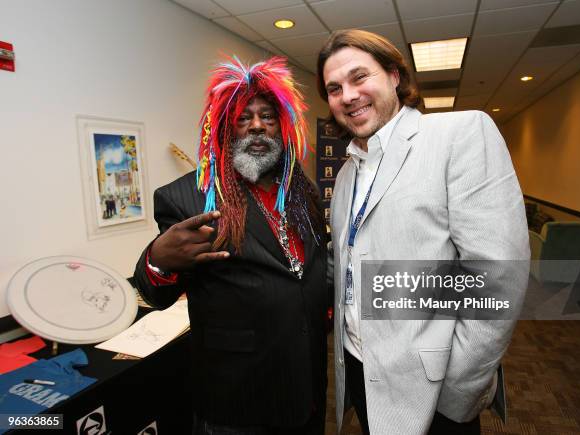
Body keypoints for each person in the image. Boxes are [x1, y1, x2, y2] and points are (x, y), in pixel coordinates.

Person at [317, 30, 529, 435]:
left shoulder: (458, 135)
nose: (348, 95)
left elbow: (497, 278)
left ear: (394, 76)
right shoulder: (346, 174)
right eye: (334, 88)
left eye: (360, 77)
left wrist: (454, 391)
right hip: (360, 371)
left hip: (433, 389)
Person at [133, 56, 329, 435]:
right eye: (243, 117)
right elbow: (153, 293)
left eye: (267, 116)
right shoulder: (188, 197)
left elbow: (307, 273)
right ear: (226, 128)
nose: (257, 125)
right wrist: (158, 260)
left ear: (282, 126)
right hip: (239, 403)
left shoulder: (302, 191)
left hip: (308, 388)